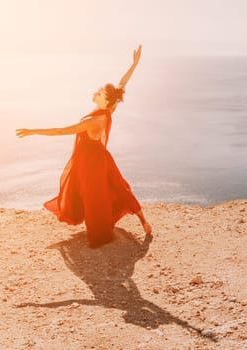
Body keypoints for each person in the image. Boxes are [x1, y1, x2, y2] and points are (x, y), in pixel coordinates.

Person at [16, 45, 152, 247]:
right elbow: (121, 85)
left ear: (106, 99)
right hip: (101, 156)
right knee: (118, 186)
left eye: (98, 93)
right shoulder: (108, 109)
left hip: (91, 161)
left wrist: (33, 131)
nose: (95, 93)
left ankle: (101, 234)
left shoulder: (94, 121)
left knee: (94, 195)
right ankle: (144, 222)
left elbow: (62, 131)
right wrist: (134, 64)